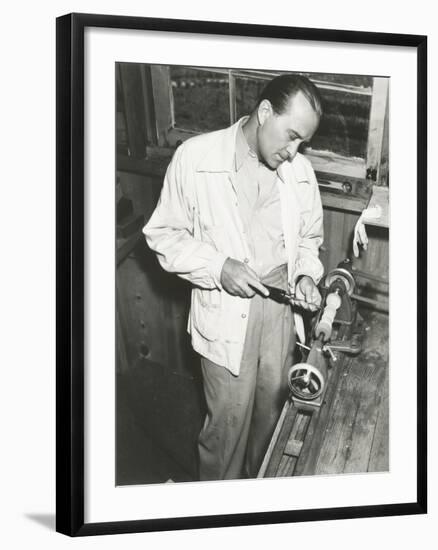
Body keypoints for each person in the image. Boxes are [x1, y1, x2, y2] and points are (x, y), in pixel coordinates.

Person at [143, 74, 324, 481]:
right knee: (226, 430)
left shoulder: (300, 171)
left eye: (303, 143)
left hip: (280, 312)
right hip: (225, 311)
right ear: (263, 113)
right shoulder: (195, 157)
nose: (294, 152)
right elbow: (163, 235)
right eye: (291, 136)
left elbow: (310, 240)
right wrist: (218, 267)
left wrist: (307, 277)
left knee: (271, 425)